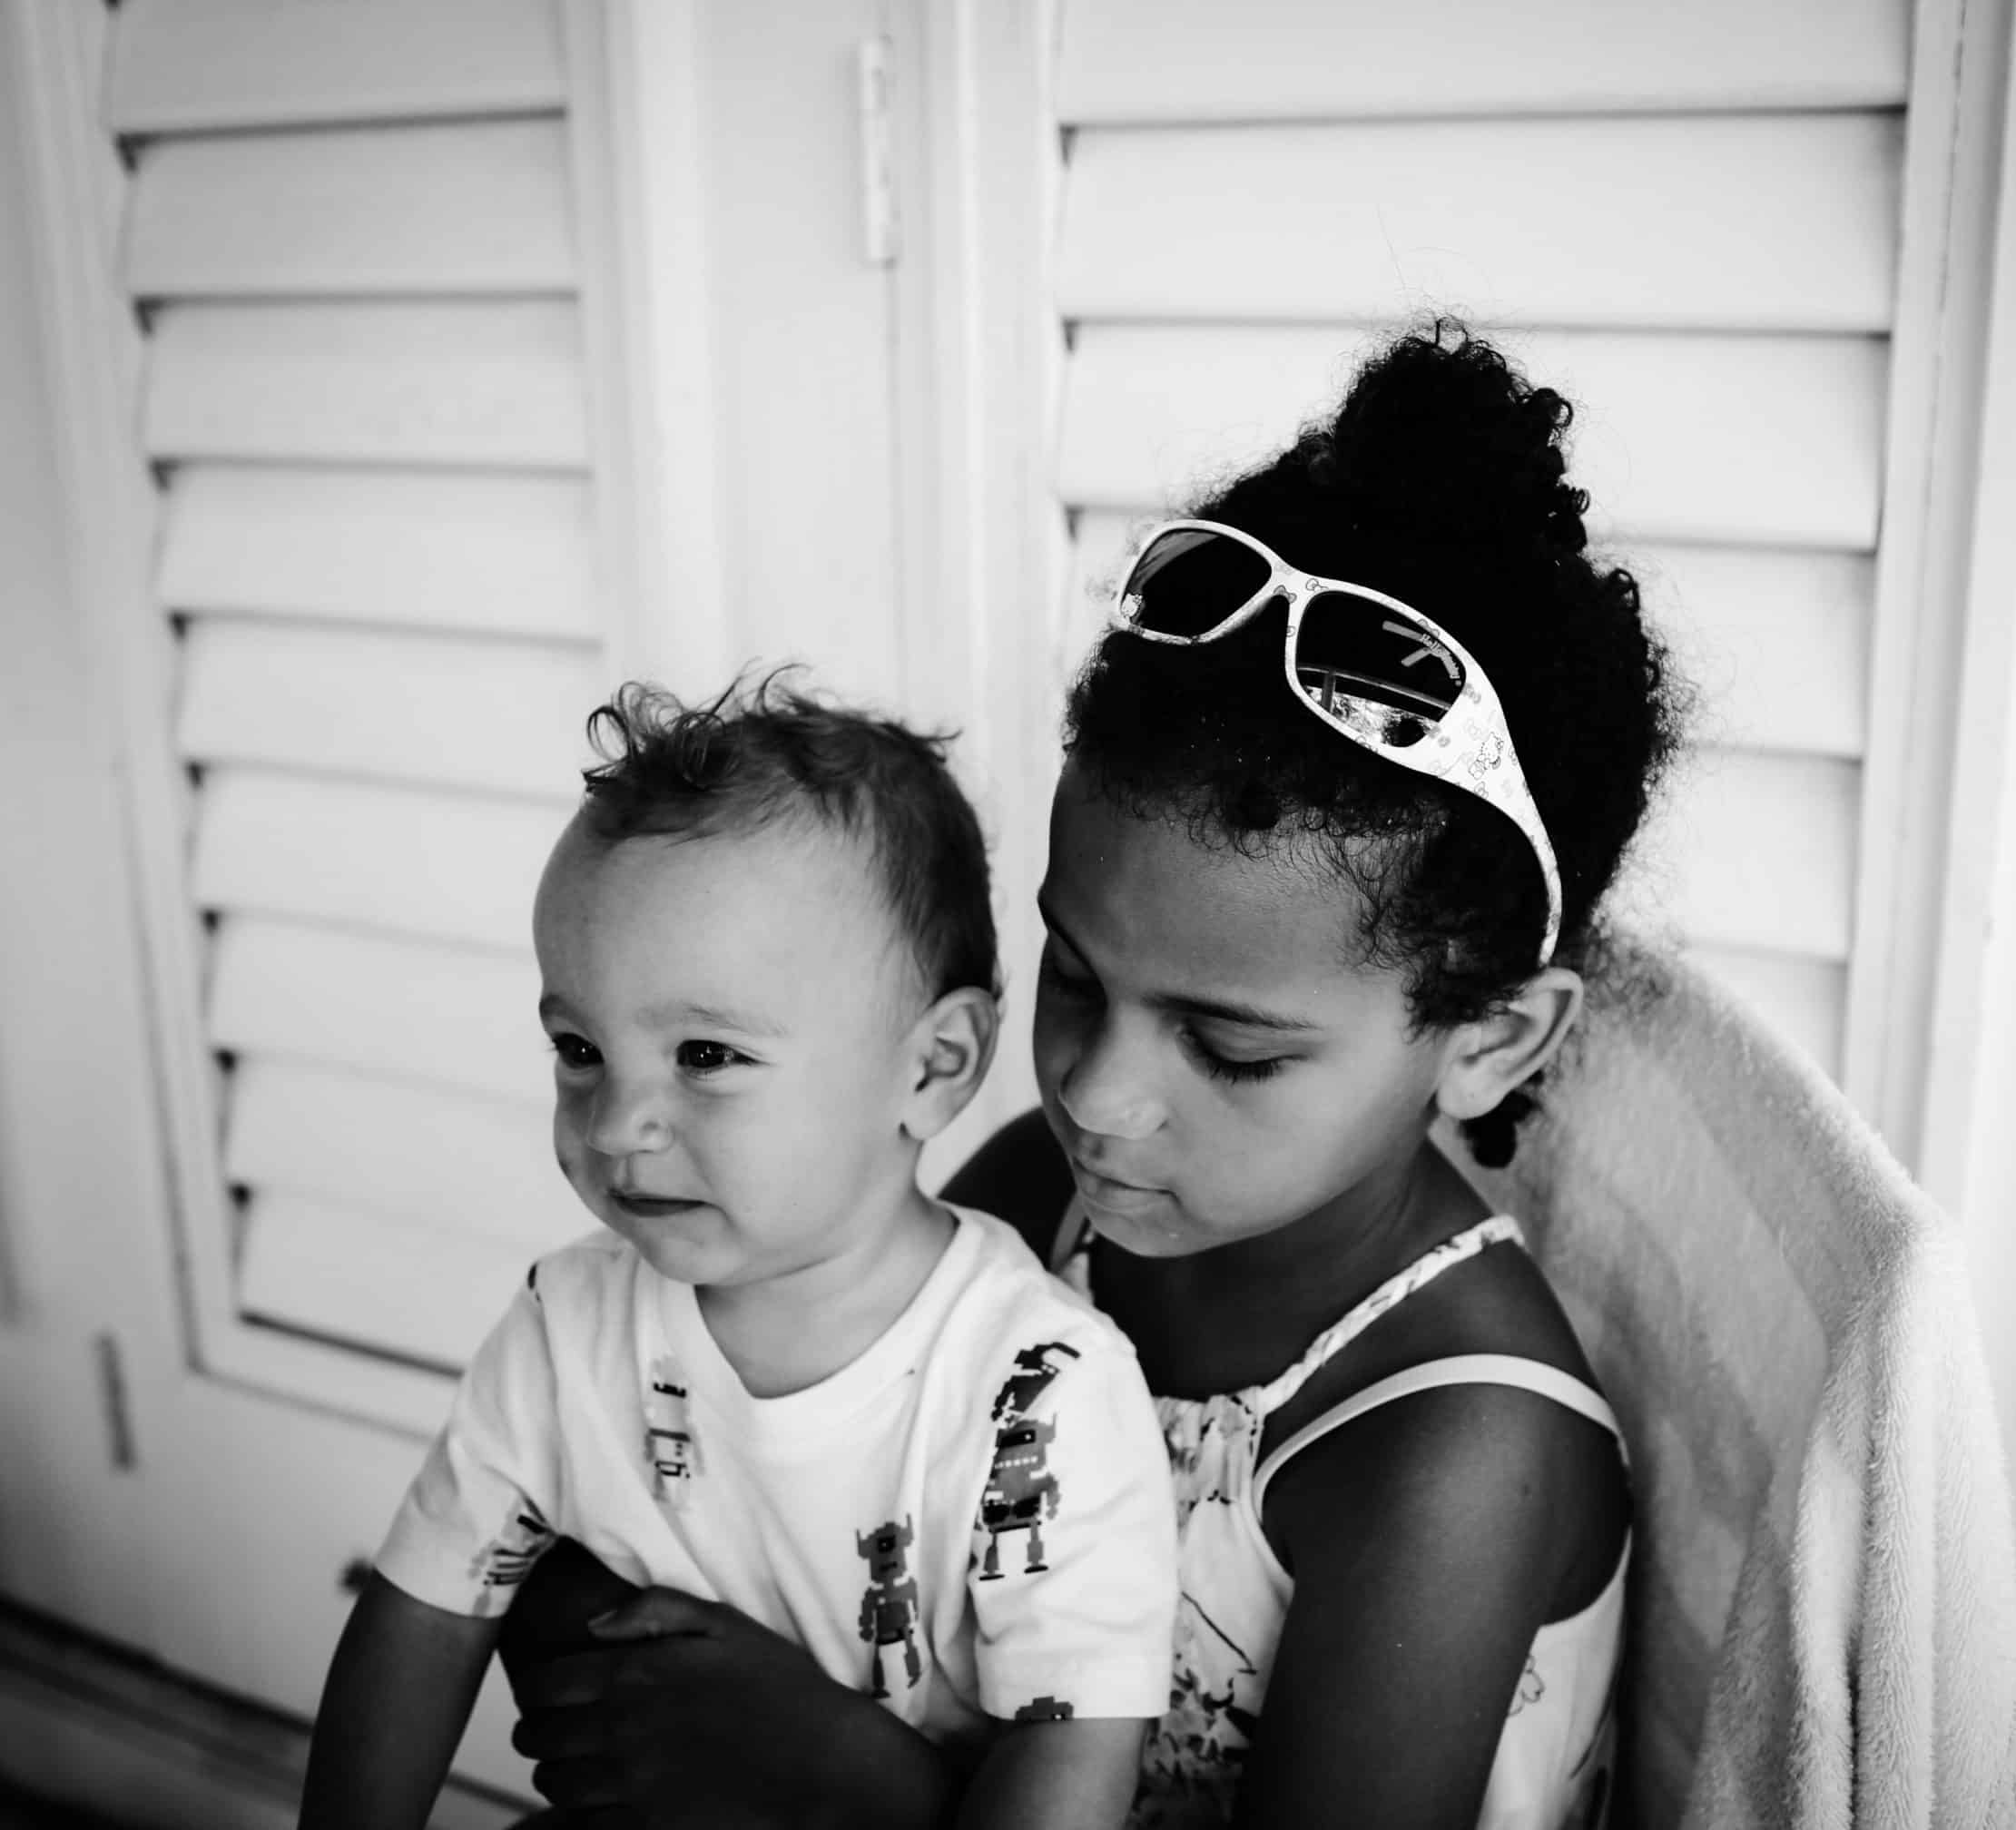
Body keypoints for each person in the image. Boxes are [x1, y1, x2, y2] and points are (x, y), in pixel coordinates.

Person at [502, 320, 1683, 1829]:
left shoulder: (1454, 1451)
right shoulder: (1047, 1204)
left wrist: (854, 1782)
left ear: (1491, 1039)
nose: (1094, 1093)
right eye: (1071, 973)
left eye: (1231, 1048)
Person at [298, 679, 1179, 1830]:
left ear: (932, 1067)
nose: (619, 1125)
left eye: (705, 1055)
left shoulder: (1038, 1386)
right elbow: (424, 1609)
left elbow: (1069, 1755)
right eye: (579, 1049)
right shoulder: (570, 1325)